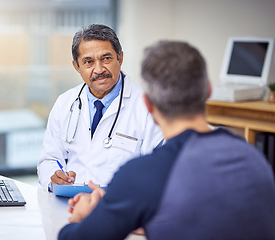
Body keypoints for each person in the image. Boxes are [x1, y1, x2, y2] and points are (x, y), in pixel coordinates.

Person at [58, 41, 275, 240]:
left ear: (148, 105)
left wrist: (83, 217)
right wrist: (123, 204)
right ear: (208, 90)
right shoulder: (254, 159)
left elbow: (72, 237)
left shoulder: (143, 175)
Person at [37, 24, 163, 191]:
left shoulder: (148, 106)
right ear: (77, 67)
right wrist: (54, 178)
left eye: (106, 58)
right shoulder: (65, 103)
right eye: (88, 62)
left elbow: (157, 170)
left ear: (120, 58)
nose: (99, 69)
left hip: (120, 209)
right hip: (68, 205)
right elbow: (49, 159)